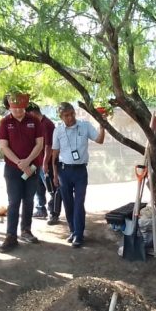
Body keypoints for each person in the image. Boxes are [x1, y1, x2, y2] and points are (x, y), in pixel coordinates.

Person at [51, 102, 105, 248]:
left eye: (71, 114)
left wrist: (102, 125)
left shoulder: (85, 126)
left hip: (80, 171)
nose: (70, 118)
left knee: (79, 203)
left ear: (74, 112)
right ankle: (73, 231)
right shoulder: (58, 131)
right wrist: (55, 175)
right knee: (68, 203)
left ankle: (79, 235)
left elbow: (99, 140)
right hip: (64, 171)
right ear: (61, 117)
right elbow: (54, 154)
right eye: (66, 115)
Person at [0, 97, 44, 252]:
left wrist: (28, 162)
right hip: (12, 168)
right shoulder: (5, 122)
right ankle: (11, 236)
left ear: (25, 106)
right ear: (9, 107)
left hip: (32, 167)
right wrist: (19, 163)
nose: (17, 110)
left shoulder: (34, 120)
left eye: (20, 107)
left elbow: (40, 144)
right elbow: (4, 146)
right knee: (14, 201)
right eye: (14, 107)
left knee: (29, 199)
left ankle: (26, 230)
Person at [26, 102, 60, 224]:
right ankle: (41, 208)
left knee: (51, 188)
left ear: (33, 113)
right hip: (37, 162)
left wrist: (45, 163)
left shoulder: (47, 124)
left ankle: (54, 213)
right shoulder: (36, 124)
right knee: (37, 186)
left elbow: (49, 146)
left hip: (47, 163)